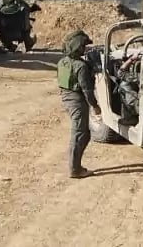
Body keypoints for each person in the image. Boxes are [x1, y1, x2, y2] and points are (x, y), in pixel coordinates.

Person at [57, 29, 100, 179]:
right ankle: (75, 169)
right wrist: (95, 106)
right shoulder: (80, 66)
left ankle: (76, 166)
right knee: (79, 134)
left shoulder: (62, 62)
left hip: (67, 98)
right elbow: (87, 90)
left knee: (85, 134)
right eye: (82, 46)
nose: (84, 49)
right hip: (77, 101)